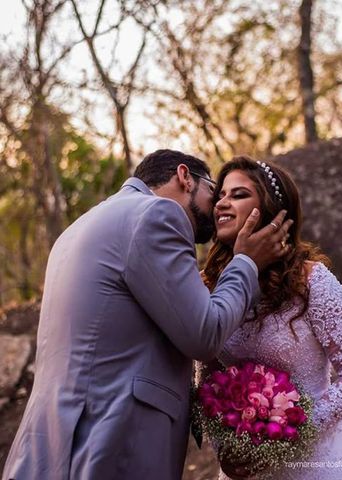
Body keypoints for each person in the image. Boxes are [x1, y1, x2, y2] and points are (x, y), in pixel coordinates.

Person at [2, 149, 292, 480]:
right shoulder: (157, 214)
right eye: (213, 191)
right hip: (112, 444)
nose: (217, 207)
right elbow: (204, 334)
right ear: (185, 177)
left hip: (48, 447)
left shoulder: (77, 229)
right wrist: (246, 262)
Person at [197, 156, 342, 479]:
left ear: (270, 211)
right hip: (245, 468)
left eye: (238, 195)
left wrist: (292, 432)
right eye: (221, 195)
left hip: (319, 463)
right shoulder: (211, 286)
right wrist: (224, 447)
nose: (222, 203)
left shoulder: (312, 282)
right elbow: (208, 376)